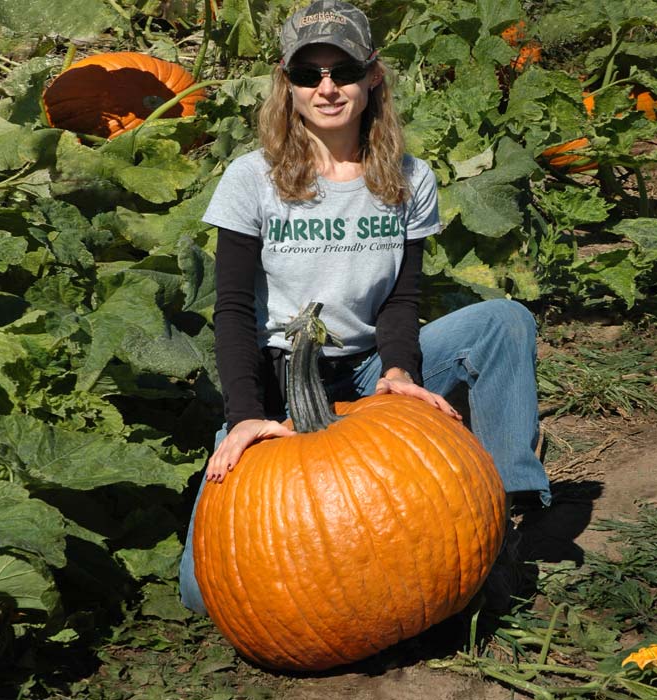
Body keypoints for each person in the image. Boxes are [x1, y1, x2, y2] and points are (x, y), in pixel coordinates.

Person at [179, 0, 551, 615]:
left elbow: (402, 298)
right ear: (288, 83)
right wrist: (244, 415)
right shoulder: (252, 179)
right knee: (203, 595)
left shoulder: (408, 177)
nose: (327, 89)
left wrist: (400, 370)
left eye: (343, 71)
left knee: (503, 322)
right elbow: (235, 311)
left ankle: (505, 510)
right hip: (282, 382)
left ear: (373, 75)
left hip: (369, 366)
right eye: (309, 74)